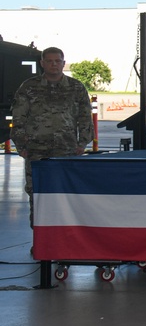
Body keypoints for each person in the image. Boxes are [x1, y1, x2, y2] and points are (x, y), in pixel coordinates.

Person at [10, 47, 95, 228]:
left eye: (57, 61)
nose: (53, 64)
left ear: (63, 63)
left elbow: (85, 117)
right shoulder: (29, 88)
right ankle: (41, 242)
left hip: (67, 150)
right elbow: (18, 119)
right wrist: (21, 145)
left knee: (65, 193)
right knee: (37, 194)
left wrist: (82, 143)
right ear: (42, 63)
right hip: (36, 150)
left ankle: (64, 241)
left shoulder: (76, 88)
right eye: (49, 61)